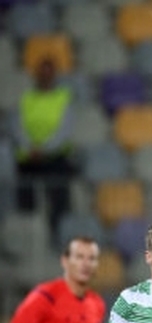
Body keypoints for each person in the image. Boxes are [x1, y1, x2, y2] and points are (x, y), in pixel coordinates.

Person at [11, 57, 76, 238]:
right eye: (42, 73)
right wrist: (29, 147)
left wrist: (44, 149)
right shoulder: (26, 99)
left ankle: (57, 237)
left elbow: (64, 130)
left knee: (59, 203)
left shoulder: (63, 98)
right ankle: (29, 238)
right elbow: (17, 127)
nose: (46, 77)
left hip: (54, 158)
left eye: (49, 73)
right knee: (27, 204)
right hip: (28, 159)